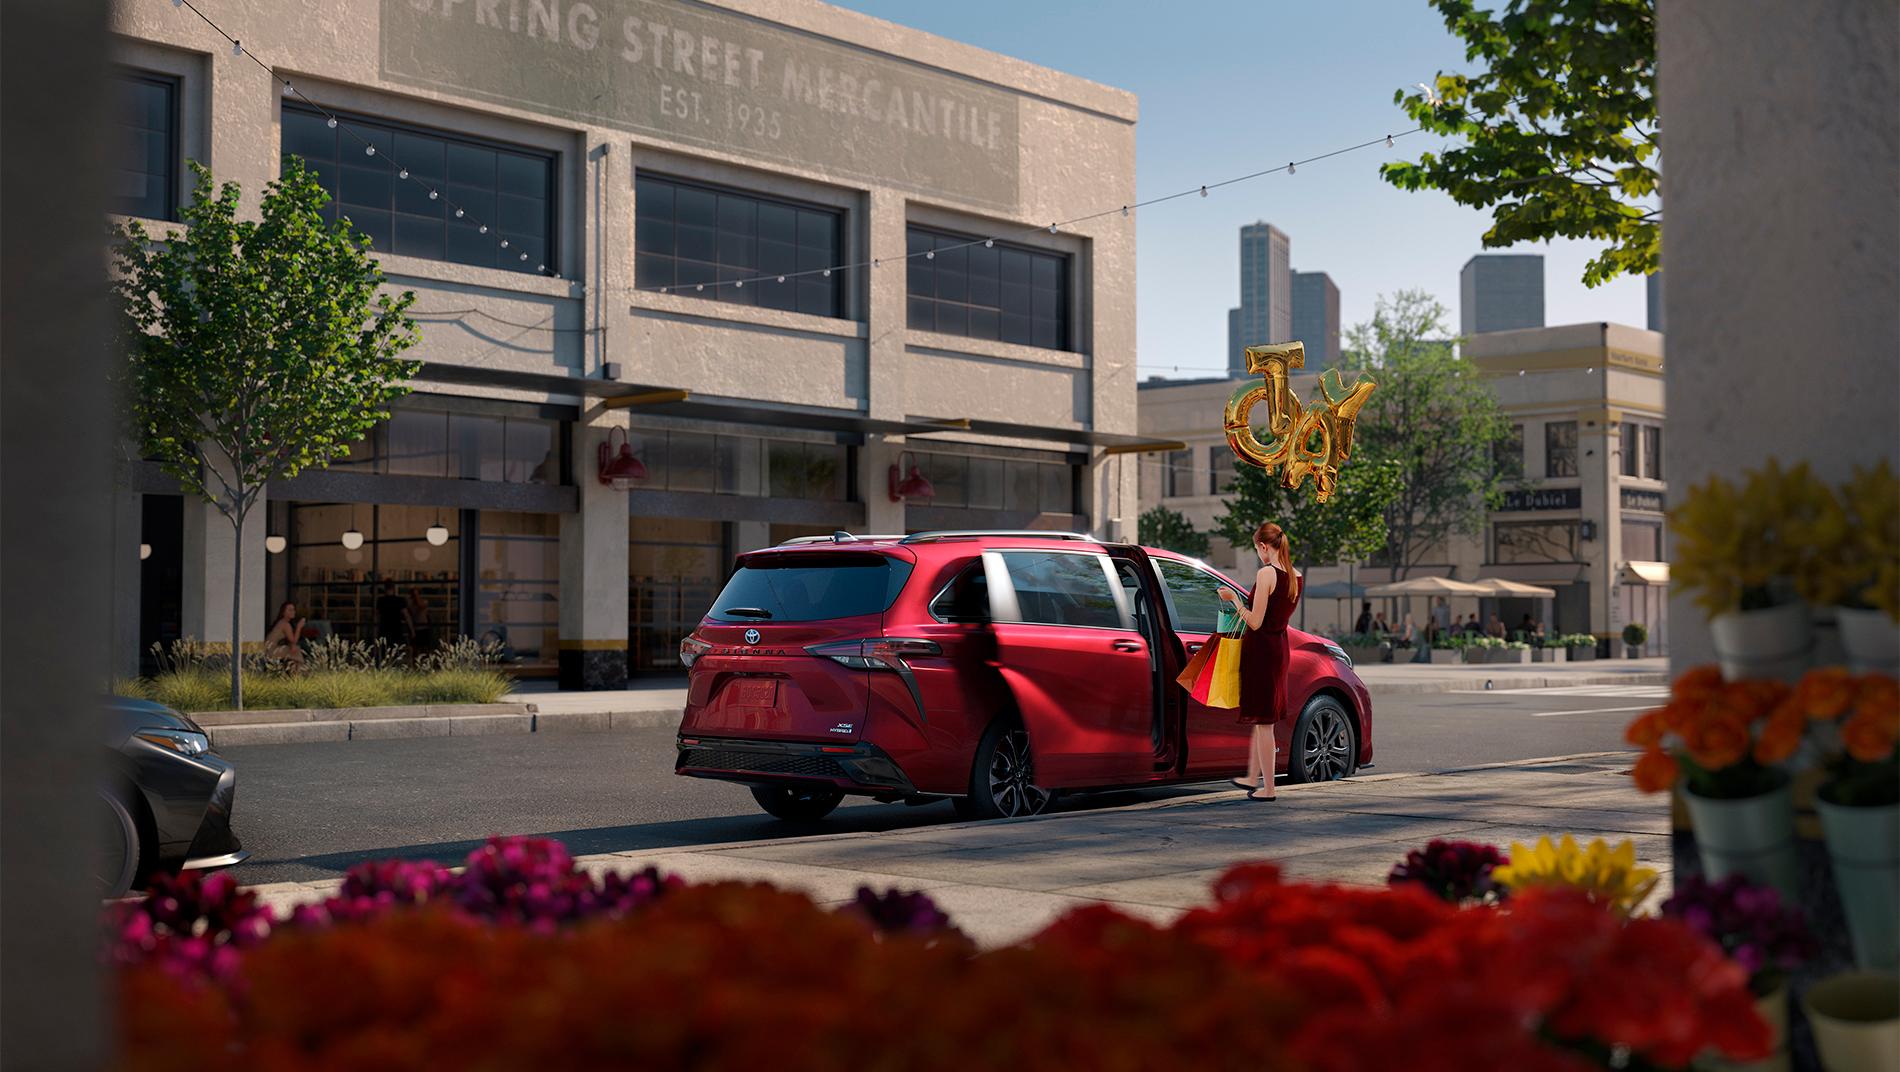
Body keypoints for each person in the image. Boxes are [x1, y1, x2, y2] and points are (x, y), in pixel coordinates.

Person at [1217, 520, 1301, 802]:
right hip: (1278, 649)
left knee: (1264, 724)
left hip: (1262, 652)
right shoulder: (1296, 576)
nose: (1258, 555)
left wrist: (1234, 601)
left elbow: (1254, 622)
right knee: (1262, 718)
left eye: (1257, 549)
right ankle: (1252, 777)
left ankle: (1268, 789)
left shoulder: (1266, 574)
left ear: (1264, 547)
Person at [263, 601, 307, 672]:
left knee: (294, 650)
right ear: (283, 612)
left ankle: (296, 673)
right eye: (289, 610)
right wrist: (299, 627)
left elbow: (289, 641)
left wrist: (292, 645)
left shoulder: (284, 622)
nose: (293, 612)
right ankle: (300, 673)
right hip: (271, 650)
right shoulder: (284, 624)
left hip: (273, 648)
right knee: (296, 651)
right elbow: (294, 640)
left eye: (293, 610)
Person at [374, 581, 409, 649]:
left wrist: (375, 630)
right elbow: (406, 615)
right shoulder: (399, 600)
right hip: (396, 629)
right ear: (394, 588)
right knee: (395, 651)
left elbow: (376, 615)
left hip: (384, 628)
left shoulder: (381, 600)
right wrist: (411, 630)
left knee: (384, 651)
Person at [405, 588, 434, 659]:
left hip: (424, 628)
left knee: (425, 649)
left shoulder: (424, 602)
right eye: (414, 594)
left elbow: (421, 605)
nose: (415, 596)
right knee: (415, 650)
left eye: (417, 594)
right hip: (415, 629)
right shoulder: (410, 605)